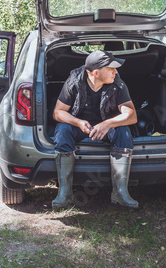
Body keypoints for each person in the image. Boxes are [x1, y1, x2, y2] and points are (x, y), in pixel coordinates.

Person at [52, 50, 138, 209]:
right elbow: (58, 112)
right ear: (96, 72)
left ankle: (120, 193)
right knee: (63, 130)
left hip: (107, 126)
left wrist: (108, 124)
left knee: (124, 131)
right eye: (111, 68)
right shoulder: (74, 82)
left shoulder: (117, 83)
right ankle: (65, 193)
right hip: (80, 127)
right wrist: (78, 122)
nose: (116, 71)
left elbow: (131, 115)